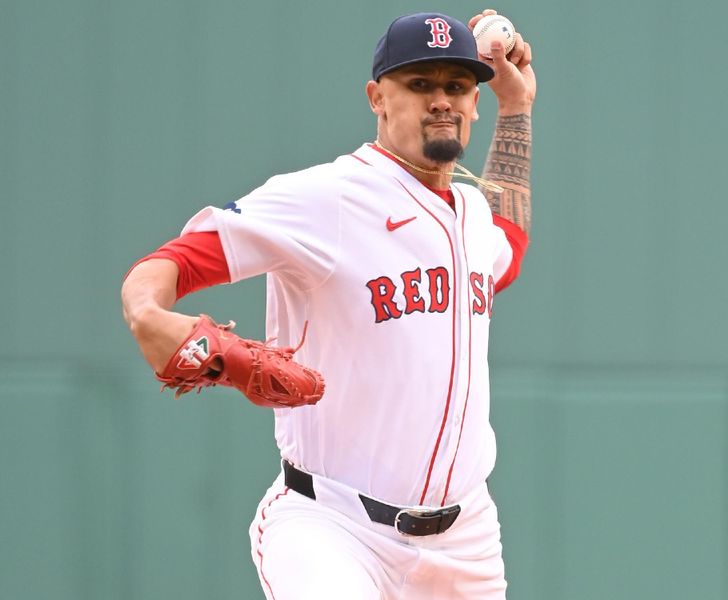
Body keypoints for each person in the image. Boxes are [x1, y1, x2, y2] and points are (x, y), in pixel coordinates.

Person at [121, 8, 535, 599]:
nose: (441, 99)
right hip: (334, 528)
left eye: (457, 85)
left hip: (464, 540)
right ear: (377, 97)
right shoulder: (327, 198)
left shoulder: (469, 213)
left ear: (474, 101)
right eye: (420, 84)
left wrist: (517, 109)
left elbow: (508, 248)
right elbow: (175, 262)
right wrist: (148, 314)